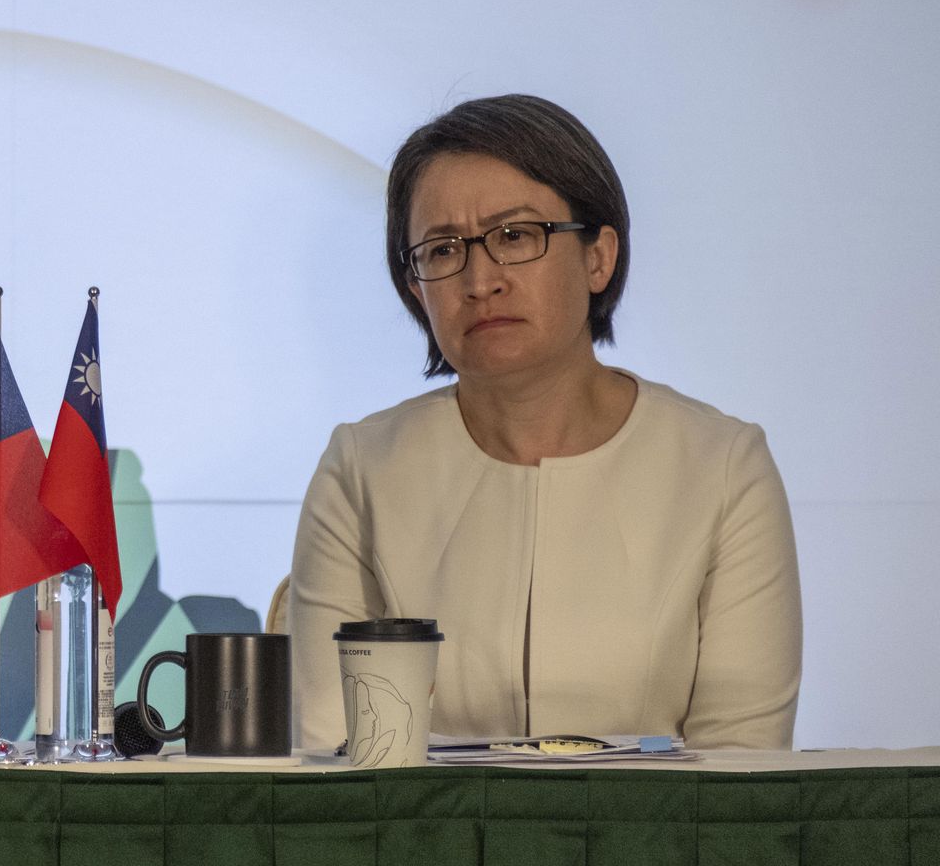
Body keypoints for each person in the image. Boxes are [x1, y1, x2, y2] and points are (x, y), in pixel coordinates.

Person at [286, 94, 801, 751]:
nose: (480, 280)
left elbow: (742, 768)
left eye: (514, 236)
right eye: (443, 250)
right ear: (415, 287)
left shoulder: (723, 466)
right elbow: (337, 753)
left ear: (598, 257)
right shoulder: (362, 468)